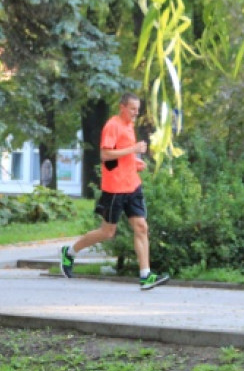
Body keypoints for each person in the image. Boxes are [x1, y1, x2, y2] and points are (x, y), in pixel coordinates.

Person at [60, 92, 169, 290]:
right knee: (107, 232)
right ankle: (70, 252)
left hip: (132, 185)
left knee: (141, 227)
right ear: (122, 107)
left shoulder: (129, 125)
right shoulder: (113, 125)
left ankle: (146, 275)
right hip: (115, 188)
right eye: (132, 109)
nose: (136, 113)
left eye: (138, 109)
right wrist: (133, 150)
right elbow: (105, 154)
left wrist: (134, 162)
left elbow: (121, 155)